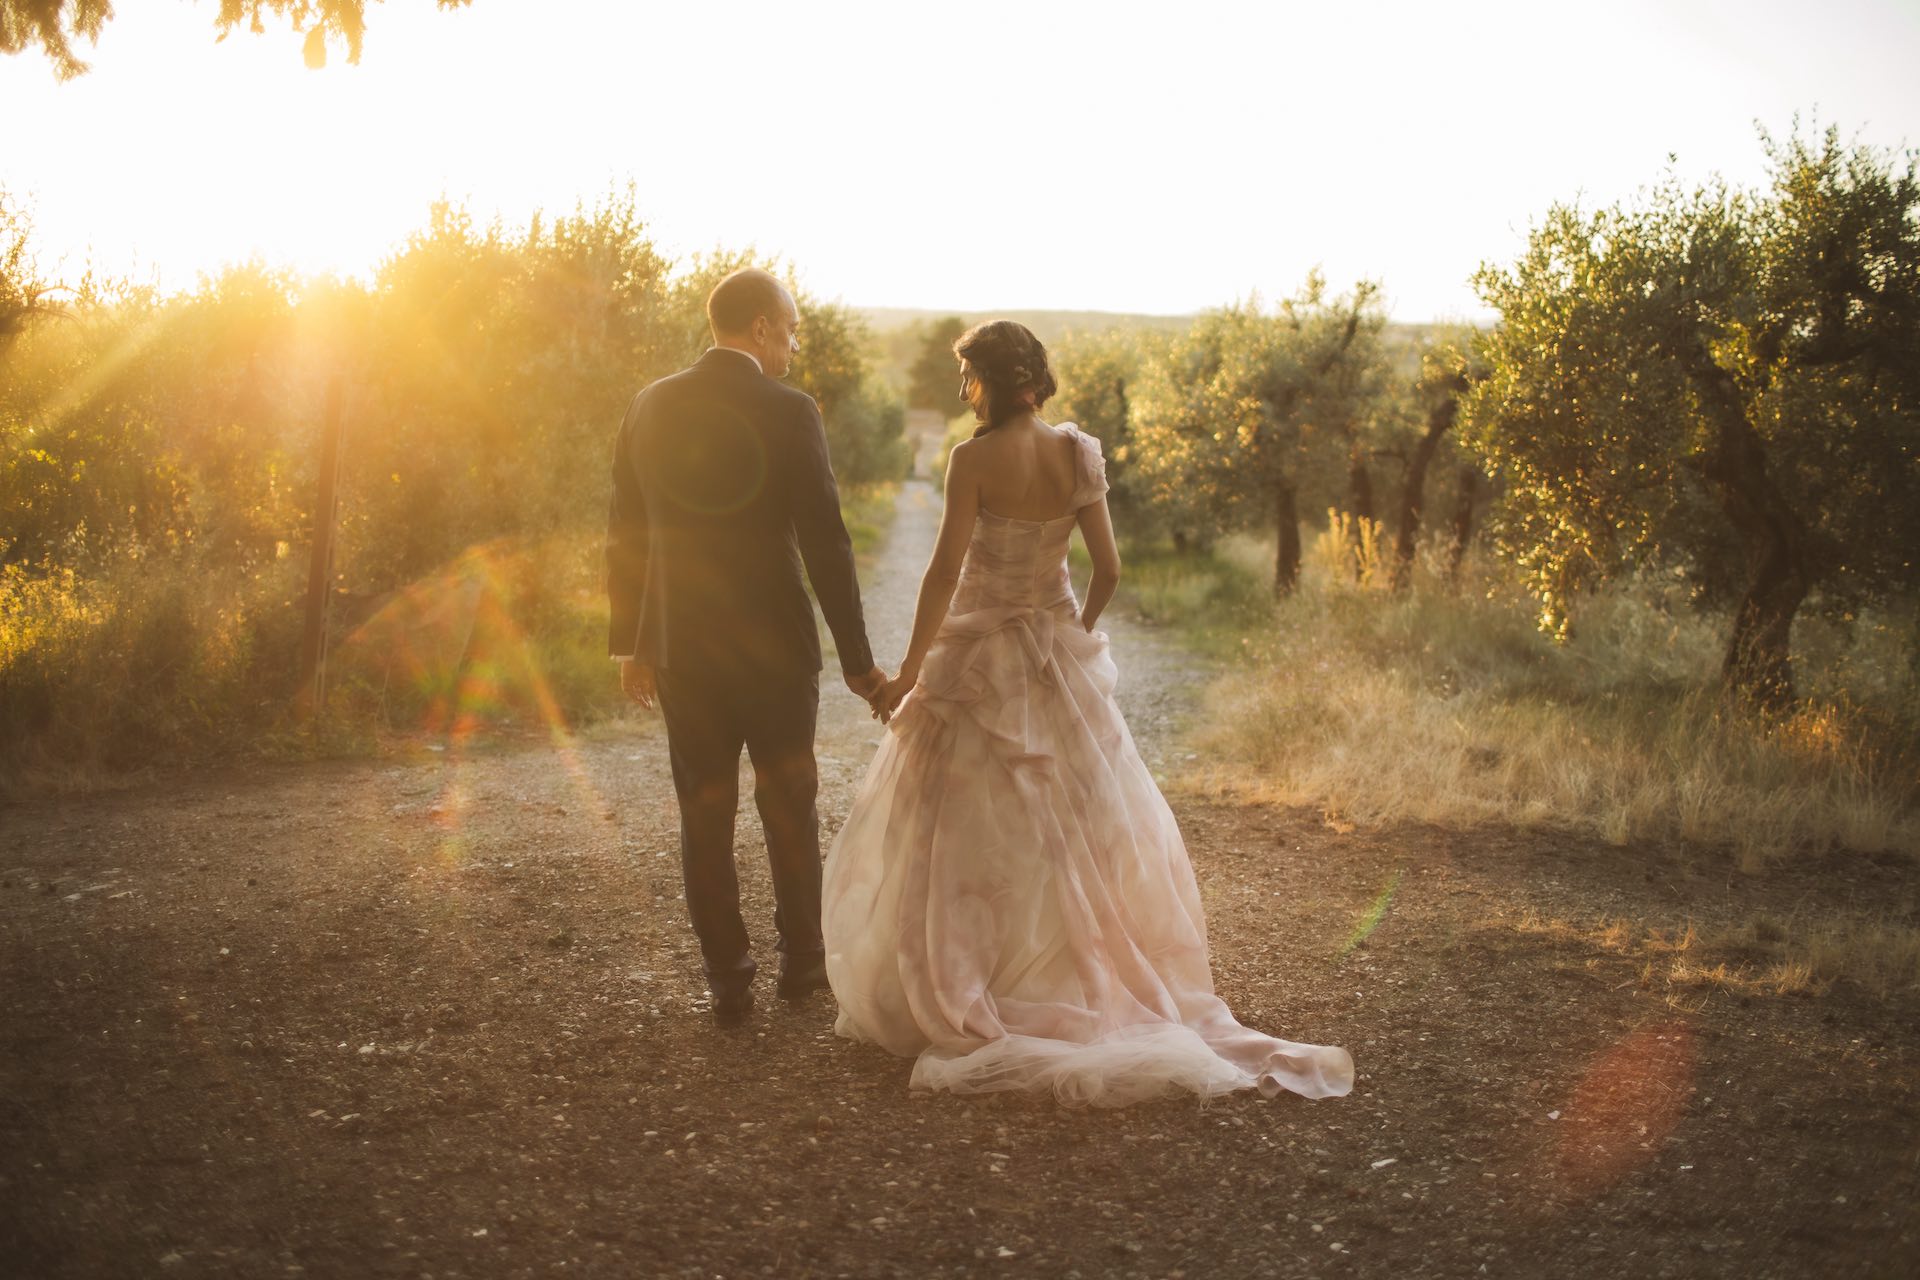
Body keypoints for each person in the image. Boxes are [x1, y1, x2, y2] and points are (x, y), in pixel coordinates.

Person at [822, 320, 1354, 1105]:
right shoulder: (1078, 452)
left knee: (969, 822)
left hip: (979, 655)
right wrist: (1074, 631)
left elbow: (941, 573)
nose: (962, 390)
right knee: (1077, 821)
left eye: (967, 377)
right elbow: (1107, 568)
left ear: (994, 382)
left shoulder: (971, 459)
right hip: (1052, 652)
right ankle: (1074, 966)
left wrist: (907, 672)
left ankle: (982, 972)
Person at [606, 267, 887, 1027]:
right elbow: (827, 544)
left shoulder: (650, 403)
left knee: (704, 812)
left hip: (680, 649)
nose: (794, 344)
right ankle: (802, 966)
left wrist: (632, 642)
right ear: (760, 326)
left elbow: (625, 528)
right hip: (772, 649)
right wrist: (859, 663)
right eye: (790, 329)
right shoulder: (789, 410)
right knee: (789, 804)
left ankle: (727, 979)